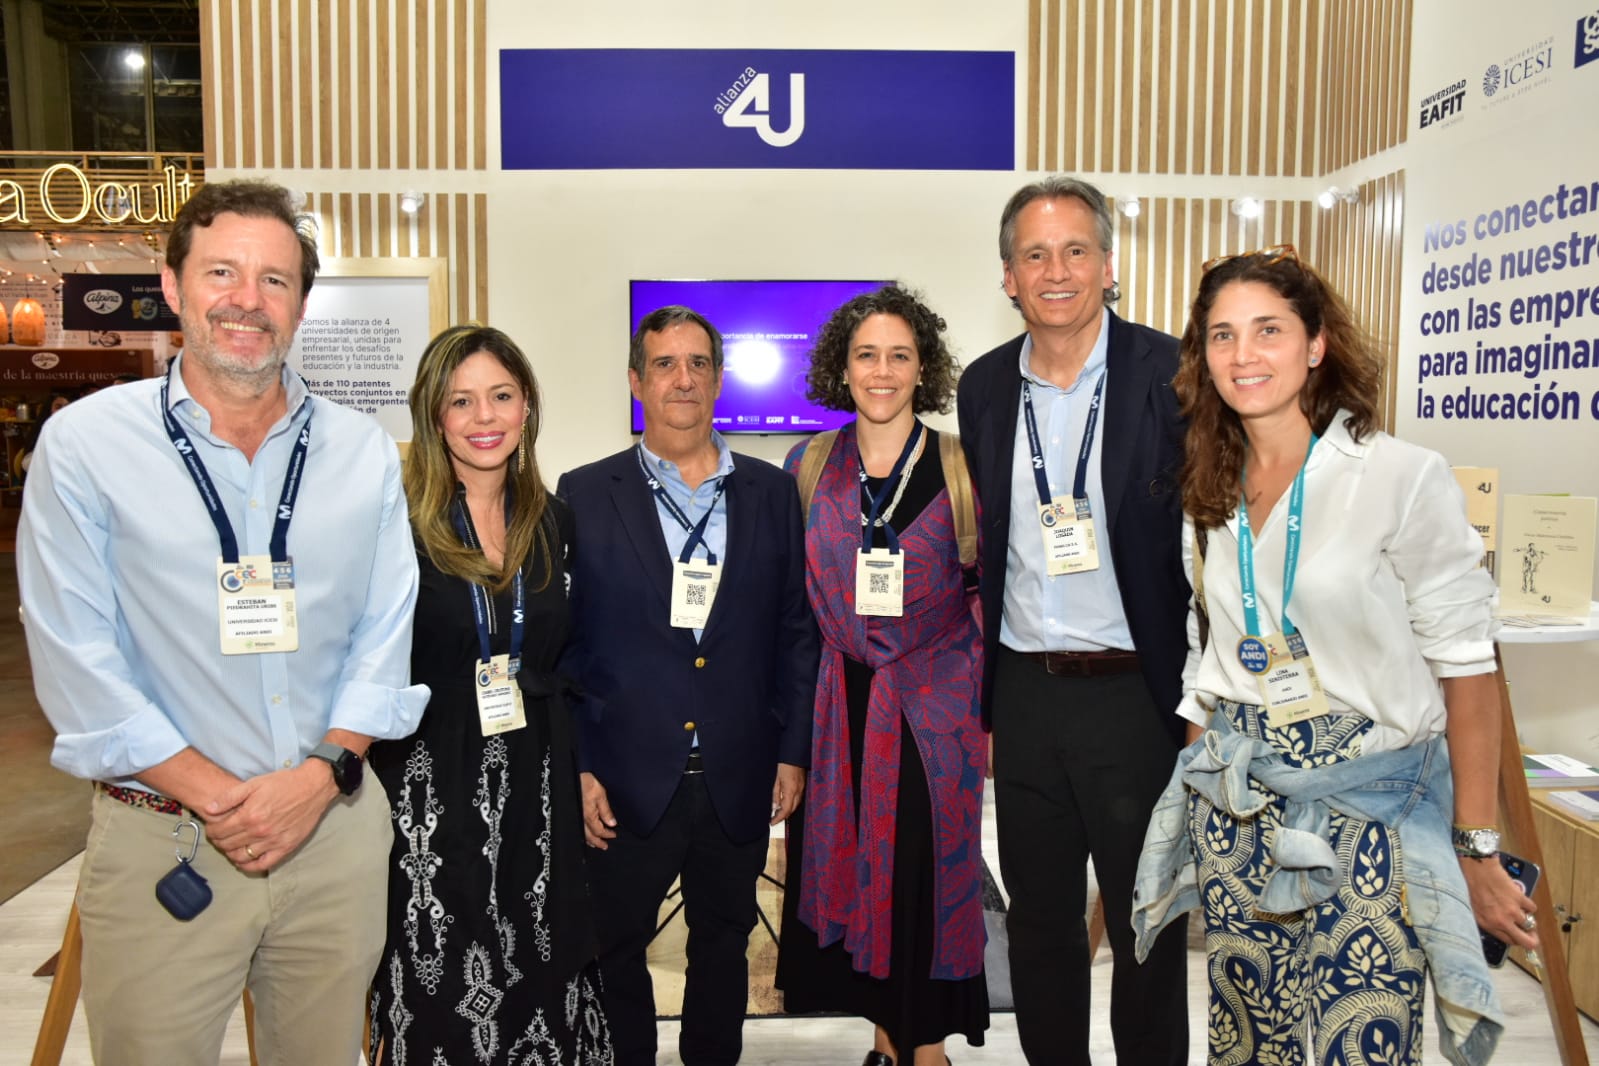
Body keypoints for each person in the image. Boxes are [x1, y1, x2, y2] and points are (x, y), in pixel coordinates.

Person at [17, 178, 429, 1064]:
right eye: (223, 272)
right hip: (167, 837)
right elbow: (75, 655)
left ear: (303, 304)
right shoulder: (86, 447)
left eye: (275, 280)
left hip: (333, 832)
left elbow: (383, 635)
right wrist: (225, 800)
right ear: (173, 287)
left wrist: (315, 782)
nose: (248, 300)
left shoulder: (360, 451)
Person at [1132, 247, 1531, 1065]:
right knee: (1246, 1041)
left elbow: (1467, 668)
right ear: (1201, 358)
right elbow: (1203, 655)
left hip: (1371, 811)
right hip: (1238, 807)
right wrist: (1202, 783)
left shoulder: (1399, 476)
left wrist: (1476, 845)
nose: (1243, 355)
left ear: (1315, 343)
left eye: (1267, 331)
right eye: (1221, 336)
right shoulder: (1208, 487)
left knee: (1365, 1043)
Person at [955, 175, 1190, 1065]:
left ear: (1108, 264)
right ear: (1008, 276)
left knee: (1147, 923)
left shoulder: (1170, 375)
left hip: (1135, 693)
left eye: (1074, 250)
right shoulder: (981, 389)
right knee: (1040, 925)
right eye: (1034, 255)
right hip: (1023, 696)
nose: (1056, 271)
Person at [558, 305, 819, 1066]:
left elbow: (794, 632)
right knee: (616, 950)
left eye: (698, 363)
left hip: (738, 770)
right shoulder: (583, 493)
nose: (682, 380)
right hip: (624, 774)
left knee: (723, 947)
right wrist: (577, 765)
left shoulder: (771, 494)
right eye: (664, 364)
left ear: (719, 378)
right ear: (637, 381)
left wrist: (792, 750)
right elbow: (562, 645)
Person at [368, 325, 614, 1063]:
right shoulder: (394, 523)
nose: (484, 418)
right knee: (439, 985)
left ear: (527, 406)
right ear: (433, 416)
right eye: (461, 401)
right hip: (426, 796)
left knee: (544, 974)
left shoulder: (554, 522)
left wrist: (584, 768)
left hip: (538, 791)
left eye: (500, 396)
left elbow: (571, 658)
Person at [775, 285, 988, 1066]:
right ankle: (884, 1040)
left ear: (921, 367)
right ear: (842, 366)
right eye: (866, 354)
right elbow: (792, 611)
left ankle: (923, 1050)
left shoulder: (962, 467)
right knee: (852, 877)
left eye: (900, 355)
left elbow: (986, 601)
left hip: (933, 719)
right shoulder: (808, 465)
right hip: (839, 710)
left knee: (919, 888)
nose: (882, 370)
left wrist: (991, 719)